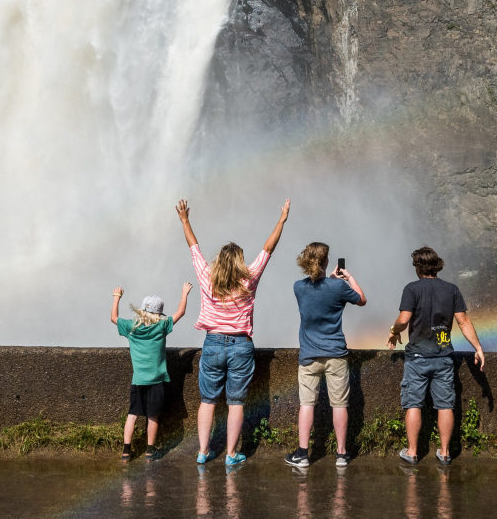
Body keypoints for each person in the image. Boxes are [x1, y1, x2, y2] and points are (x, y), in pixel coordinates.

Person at [177, 197, 290, 467]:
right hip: (241, 345)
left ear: (220, 261)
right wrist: (282, 219)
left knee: (207, 400)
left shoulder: (207, 277)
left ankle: (203, 451)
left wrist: (185, 220)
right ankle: (230, 455)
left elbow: (194, 248)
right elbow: (267, 249)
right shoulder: (249, 279)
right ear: (239, 261)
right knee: (236, 402)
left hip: (213, 343)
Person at [386, 246, 486, 465]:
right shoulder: (451, 289)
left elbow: (403, 320)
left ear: (418, 267)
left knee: (413, 404)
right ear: (436, 265)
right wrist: (477, 347)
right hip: (443, 356)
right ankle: (445, 452)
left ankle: (412, 452)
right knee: (445, 405)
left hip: (418, 357)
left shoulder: (412, 289)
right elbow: (463, 321)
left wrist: (394, 332)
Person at [284, 242, 366, 469]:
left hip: (309, 356)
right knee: (339, 405)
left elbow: (316, 292)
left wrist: (329, 280)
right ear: (326, 261)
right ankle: (341, 454)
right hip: (336, 355)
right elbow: (361, 299)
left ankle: (302, 454)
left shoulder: (298, 287)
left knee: (306, 404)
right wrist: (347, 278)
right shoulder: (337, 287)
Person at [111, 283, 192, 460]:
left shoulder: (131, 327)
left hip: (138, 380)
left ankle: (126, 451)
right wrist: (184, 293)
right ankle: (149, 450)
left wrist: (116, 297)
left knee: (132, 414)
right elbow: (181, 312)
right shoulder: (161, 326)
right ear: (159, 313)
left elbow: (114, 318)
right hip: (156, 380)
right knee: (152, 416)